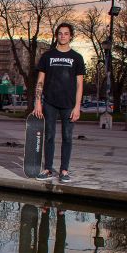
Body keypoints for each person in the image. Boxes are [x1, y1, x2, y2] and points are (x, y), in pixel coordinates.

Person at [33, 22, 86, 183]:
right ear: (57, 36)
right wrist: (37, 102)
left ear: (70, 36)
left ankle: (64, 171)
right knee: (49, 136)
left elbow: (79, 84)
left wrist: (77, 106)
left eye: (66, 33)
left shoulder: (77, 58)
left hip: (69, 105)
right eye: (60, 33)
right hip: (49, 103)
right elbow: (40, 81)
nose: (63, 36)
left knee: (67, 137)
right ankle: (48, 169)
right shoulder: (47, 56)